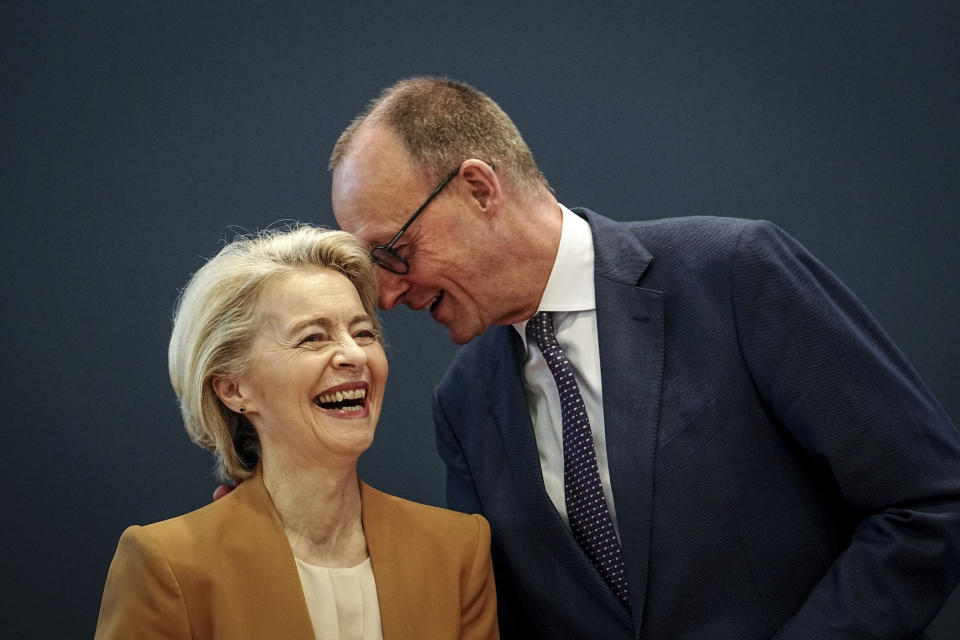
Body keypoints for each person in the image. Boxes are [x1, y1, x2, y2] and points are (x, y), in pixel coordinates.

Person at [329, 77, 960, 639]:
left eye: (393, 252)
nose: (387, 293)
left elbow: (928, 503)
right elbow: (494, 615)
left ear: (477, 187)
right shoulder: (463, 402)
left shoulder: (733, 273)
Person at [95, 225, 499, 640]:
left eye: (363, 333)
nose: (354, 355)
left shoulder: (457, 551)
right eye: (313, 337)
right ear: (234, 389)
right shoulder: (169, 564)